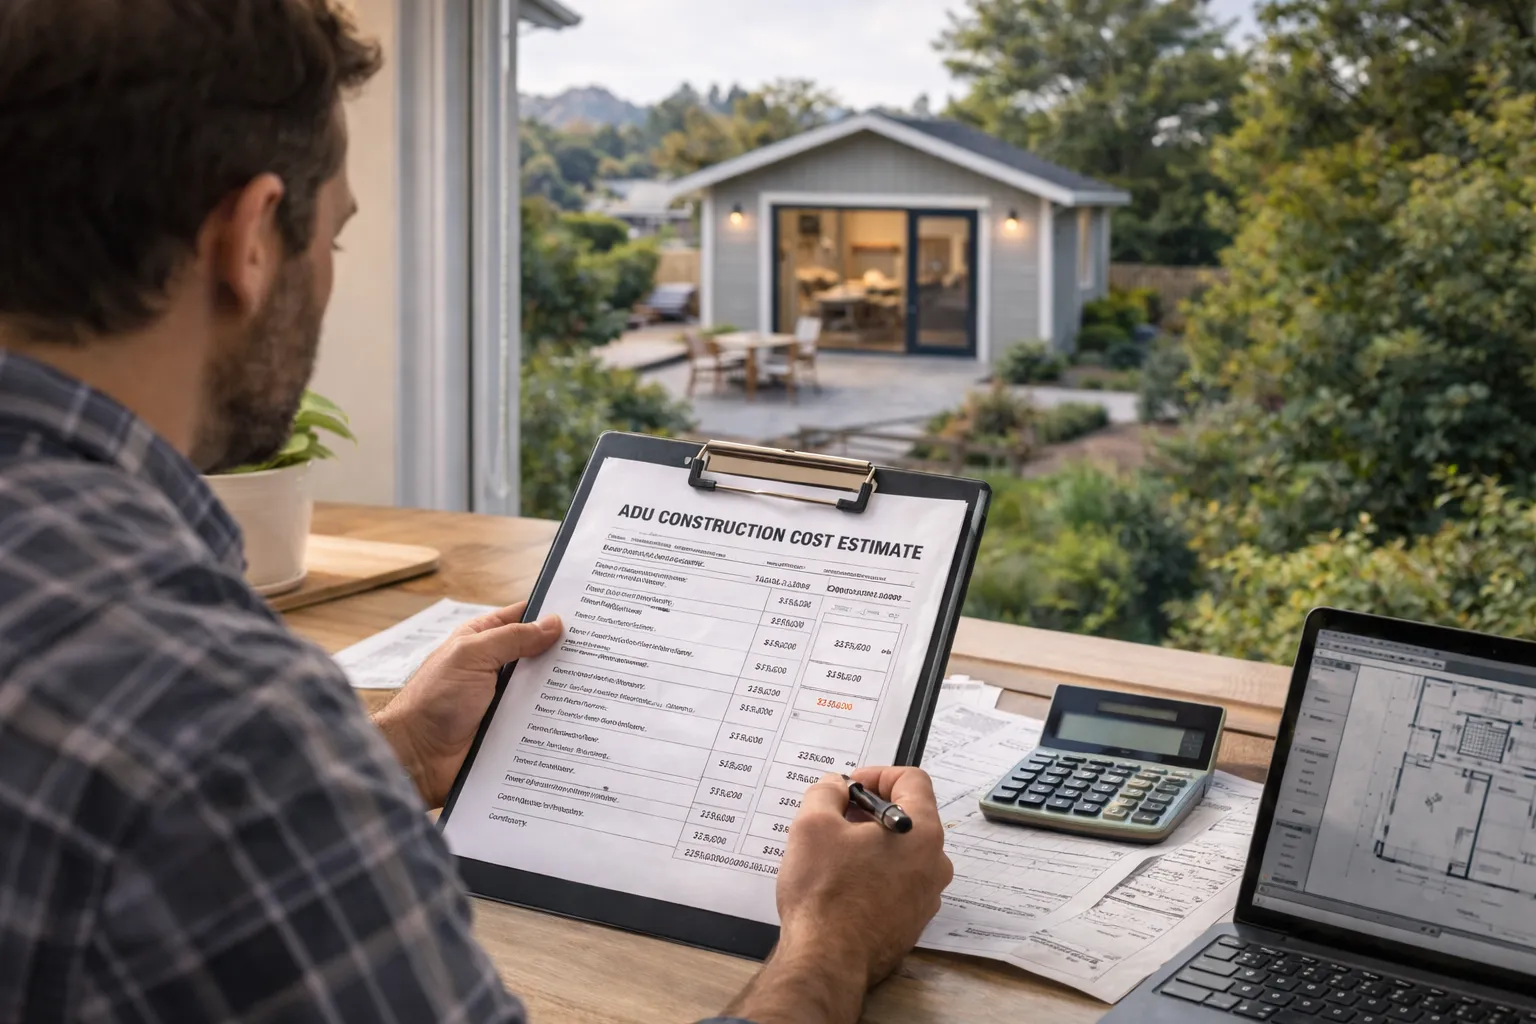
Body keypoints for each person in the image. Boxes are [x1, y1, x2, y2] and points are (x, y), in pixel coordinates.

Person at [0, 3, 955, 1024]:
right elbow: (196, 780)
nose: (327, 272)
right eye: (337, 235)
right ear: (248, 238)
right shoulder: (219, 720)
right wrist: (832, 939)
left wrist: (397, 750)